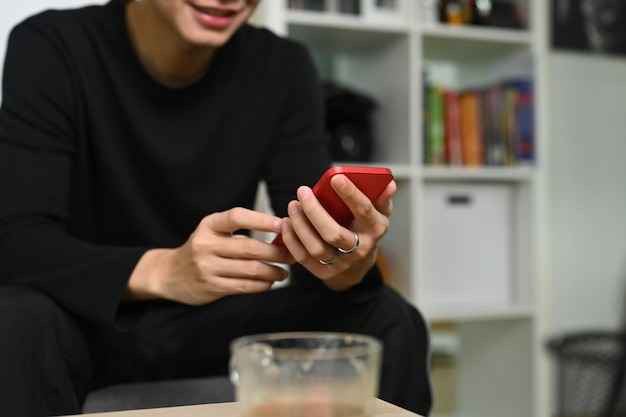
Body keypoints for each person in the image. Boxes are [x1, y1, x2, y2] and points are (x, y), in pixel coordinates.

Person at [0, 0, 433, 416]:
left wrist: (346, 260)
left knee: (391, 317)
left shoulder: (281, 65)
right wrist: (166, 271)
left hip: (213, 323)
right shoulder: (53, 44)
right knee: (16, 315)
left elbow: (309, 235)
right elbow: (18, 240)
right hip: (89, 321)